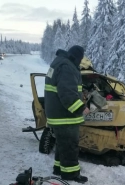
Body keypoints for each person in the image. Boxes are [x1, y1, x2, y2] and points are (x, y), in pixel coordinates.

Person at [44, 45, 90, 183]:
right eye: (81, 60)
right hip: (64, 116)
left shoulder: (59, 62)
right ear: (77, 57)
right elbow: (67, 93)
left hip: (57, 114)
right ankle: (71, 175)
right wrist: (81, 108)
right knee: (70, 145)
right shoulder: (67, 67)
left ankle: (59, 168)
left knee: (62, 143)